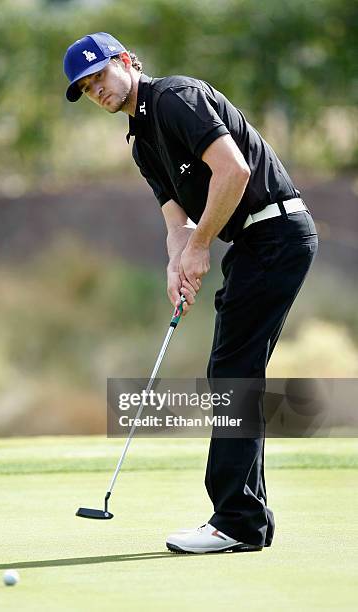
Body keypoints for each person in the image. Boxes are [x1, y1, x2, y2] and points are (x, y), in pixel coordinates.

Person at [63, 32, 318, 554]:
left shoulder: (176, 98)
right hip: (253, 244)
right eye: (87, 89)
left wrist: (201, 246)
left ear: (127, 61)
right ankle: (249, 520)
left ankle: (236, 520)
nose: (97, 92)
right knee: (235, 372)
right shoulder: (141, 141)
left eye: (100, 77)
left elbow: (234, 170)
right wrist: (179, 261)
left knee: (232, 372)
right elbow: (175, 223)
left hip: (276, 232)